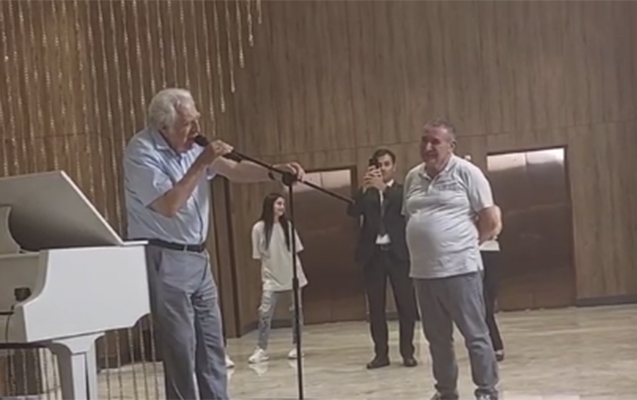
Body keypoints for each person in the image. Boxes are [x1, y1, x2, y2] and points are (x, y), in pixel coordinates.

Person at [123, 88, 304, 400]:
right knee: (181, 349)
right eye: (187, 124)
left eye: (197, 120)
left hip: (199, 258)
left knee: (212, 347)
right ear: (163, 126)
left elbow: (233, 170)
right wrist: (200, 163)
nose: (196, 129)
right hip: (165, 256)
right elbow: (169, 205)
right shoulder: (141, 152)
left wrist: (274, 173)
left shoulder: (194, 146)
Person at [402, 119, 502, 400]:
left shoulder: (468, 173)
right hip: (423, 273)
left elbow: (490, 220)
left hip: (461, 270)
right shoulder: (412, 177)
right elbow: (410, 217)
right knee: (437, 339)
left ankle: (487, 391)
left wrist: (463, 245)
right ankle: (446, 392)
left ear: (451, 145)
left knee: (475, 335)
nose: (428, 147)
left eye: (435, 141)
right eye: (424, 140)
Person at [347, 148, 419, 369]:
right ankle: (381, 354)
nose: (383, 169)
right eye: (379, 165)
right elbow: (352, 211)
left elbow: (405, 207)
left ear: (394, 167)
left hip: (398, 254)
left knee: (406, 305)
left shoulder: (401, 190)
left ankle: (407, 352)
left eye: (387, 164)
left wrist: (383, 189)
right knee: (376, 308)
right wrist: (364, 188)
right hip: (373, 255)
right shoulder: (366, 192)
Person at [247, 193, 308, 363]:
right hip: (271, 278)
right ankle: (261, 348)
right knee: (265, 313)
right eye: (278, 204)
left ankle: (297, 345)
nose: (282, 207)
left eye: (283, 204)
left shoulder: (287, 226)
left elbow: (296, 250)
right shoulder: (258, 228)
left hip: (293, 275)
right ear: (270, 206)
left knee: (296, 312)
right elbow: (258, 255)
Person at [480, 237, 505, 362]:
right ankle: (490, 345)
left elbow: (494, 228)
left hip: (487, 250)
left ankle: (495, 345)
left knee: (486, 305)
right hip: (465, 252)